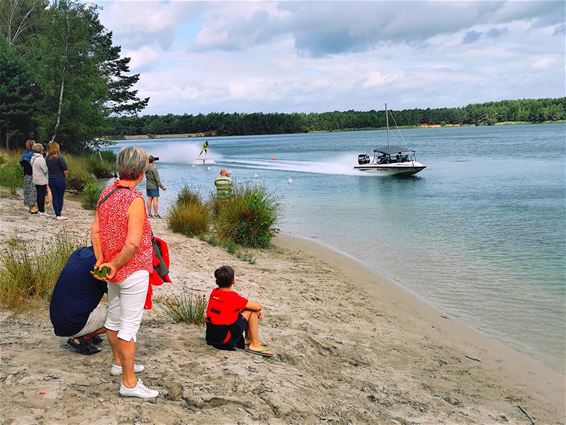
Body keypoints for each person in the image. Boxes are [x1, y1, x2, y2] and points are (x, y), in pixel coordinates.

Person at [91, 145, 158, 399]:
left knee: (113, 318)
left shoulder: (107, 192)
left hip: (111, 269)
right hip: (131, 269)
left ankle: (118, 363)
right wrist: (117, 264)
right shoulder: (135, 200)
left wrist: (103, 261)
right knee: (128, 327)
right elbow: (132, 243)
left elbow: (95, 230)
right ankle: (129, 383)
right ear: (141, 171)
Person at [49, 246, 107, 355]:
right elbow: (118, 295)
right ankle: (83, 337)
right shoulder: (101, 264)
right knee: (123, 316)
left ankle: (88, 332)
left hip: (59, 319)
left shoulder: (80, 252)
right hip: (73, 324)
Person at [205, 265, 273, 357]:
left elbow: (230, 309)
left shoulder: (214, 292)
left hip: (212, 338)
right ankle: (255, 344)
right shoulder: (232, 297)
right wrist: (258, 310)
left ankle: (249, 340)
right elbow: (257, 306)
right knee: (251, 311)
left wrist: (252, 308)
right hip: (224, 341)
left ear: (217, 281)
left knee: (247, 309)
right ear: (233, 281)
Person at [46, 141, 68, 220]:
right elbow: (65, 170)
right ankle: (59, 213)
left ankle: (57, 214)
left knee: (55, 197)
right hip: (60, 179)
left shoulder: (47, 159)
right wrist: (65, 177)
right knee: (60, 197)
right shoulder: (59, 158)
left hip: (51, 179)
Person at [19, 139, 38, 214]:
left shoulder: (24, 154)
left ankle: (30, 208)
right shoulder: (33, 154)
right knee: (33, 190)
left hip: (26, 174)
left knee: (27, 190)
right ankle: (33, 207)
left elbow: (21, 163)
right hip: (33, 174)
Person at [30, 143, 49, 216]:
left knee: (38, 195)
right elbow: (45, 170)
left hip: (35, 179)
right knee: (41, 196)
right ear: (41, 150)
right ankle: (42, 211)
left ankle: (40, 209)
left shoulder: (33, 158)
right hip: (41, 180)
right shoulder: (41, 159)